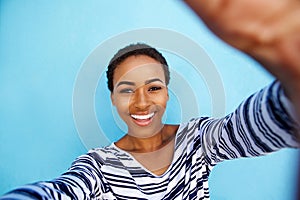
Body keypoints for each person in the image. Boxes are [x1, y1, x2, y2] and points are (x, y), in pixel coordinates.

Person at [1, 1, 300, 199]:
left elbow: (259, 127)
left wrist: (291, 58)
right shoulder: (98, 167)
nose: (141, 102)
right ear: (113, 100)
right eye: (127, 89)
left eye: (154, 88)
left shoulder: (197, 141)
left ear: (168, 94)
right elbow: (59, 193)